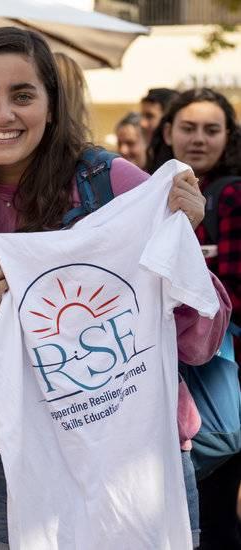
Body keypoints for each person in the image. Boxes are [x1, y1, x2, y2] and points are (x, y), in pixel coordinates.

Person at [0, 27, 231, 549]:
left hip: (134, 456)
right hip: (17, 458)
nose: (3, 115)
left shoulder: (113, 183)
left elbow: (200, 342)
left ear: (51, 104)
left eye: (22, 95)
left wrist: (182, 246)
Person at [147, 87, 241, 550]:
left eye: (212, 129)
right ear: (168, 132)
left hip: (221, 373)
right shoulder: (144, 192)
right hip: (159, 375)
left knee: (215, 510)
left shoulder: (232, 196)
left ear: (229, 137)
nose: (199, 139)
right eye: (188, 128)